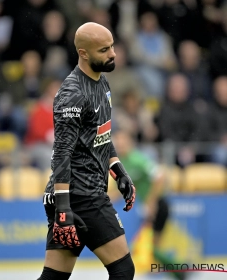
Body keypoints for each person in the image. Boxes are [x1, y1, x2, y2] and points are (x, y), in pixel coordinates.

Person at [37, 22, 136, 280]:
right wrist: (63, 209)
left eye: (112, 46)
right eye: (104, 50)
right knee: (123, 270)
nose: (113, 54)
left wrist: (118, 171)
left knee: (54, 277)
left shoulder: (101, 83)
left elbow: (100, 135)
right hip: (80, 196)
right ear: (83, 53)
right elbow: (61, 154)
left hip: (81, 195)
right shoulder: (72, 94)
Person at [110, 129, 186, 280]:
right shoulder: (121, 163)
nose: (120, 144)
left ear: (130, 142)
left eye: (122, 140)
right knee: (151, 247)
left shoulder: (138, 159)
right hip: (148, 208)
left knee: (150, 246)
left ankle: (180, 272)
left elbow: (160, 177)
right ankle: (178, 272)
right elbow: (121, 191)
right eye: (117, 141)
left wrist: (151, 203)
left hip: (158, 205)